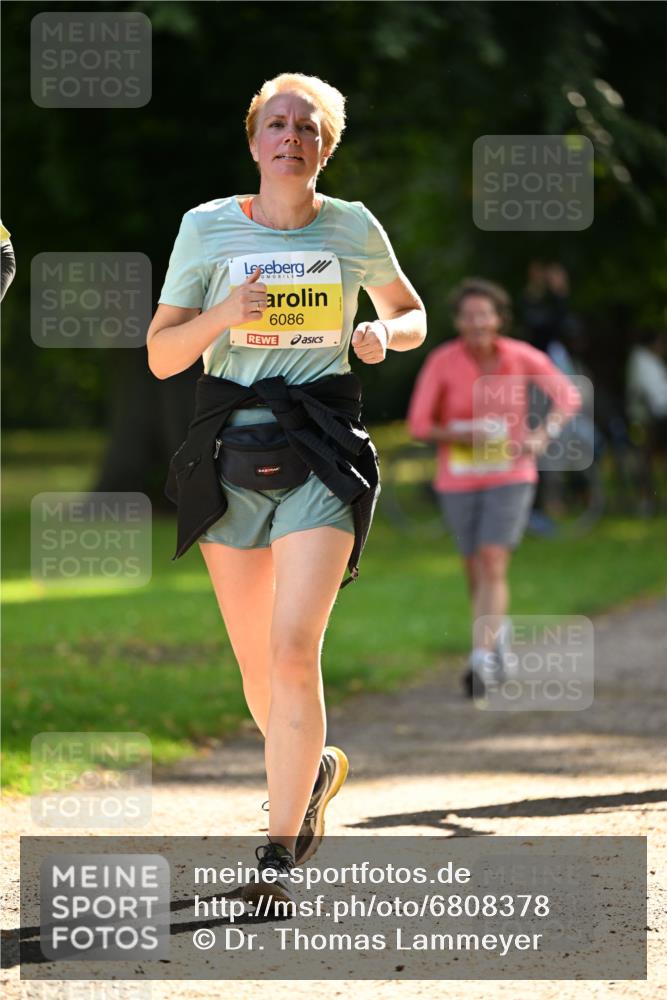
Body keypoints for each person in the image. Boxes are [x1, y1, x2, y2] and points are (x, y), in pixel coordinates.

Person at [147, 73, 426, 905]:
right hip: (230, 453)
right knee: (255, 669)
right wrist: (226, 311)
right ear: (254, 140)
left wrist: (382, 333)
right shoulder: (205, 229)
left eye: (308, 127)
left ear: (324, 148)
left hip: (323, 450)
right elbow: (164, 355)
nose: (291, 137)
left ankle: (274, 853)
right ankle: (315, 771)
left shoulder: (351, 226)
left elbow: (410, 311)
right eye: (277, 124)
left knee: (292, 648)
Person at [407, 278, 580, 697]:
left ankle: (480, 659)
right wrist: (463, 437)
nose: (477, 322)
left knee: (492, 559)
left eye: (485, 314)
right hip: (459, 478)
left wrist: (542, 435)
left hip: (511, 474)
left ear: (499, 318)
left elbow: (568, 396)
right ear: (458, 321)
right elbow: (418, 424)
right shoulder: (442, 361)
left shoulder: (520, 356)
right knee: (473, 566)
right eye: (468, 315)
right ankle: (496, 635)